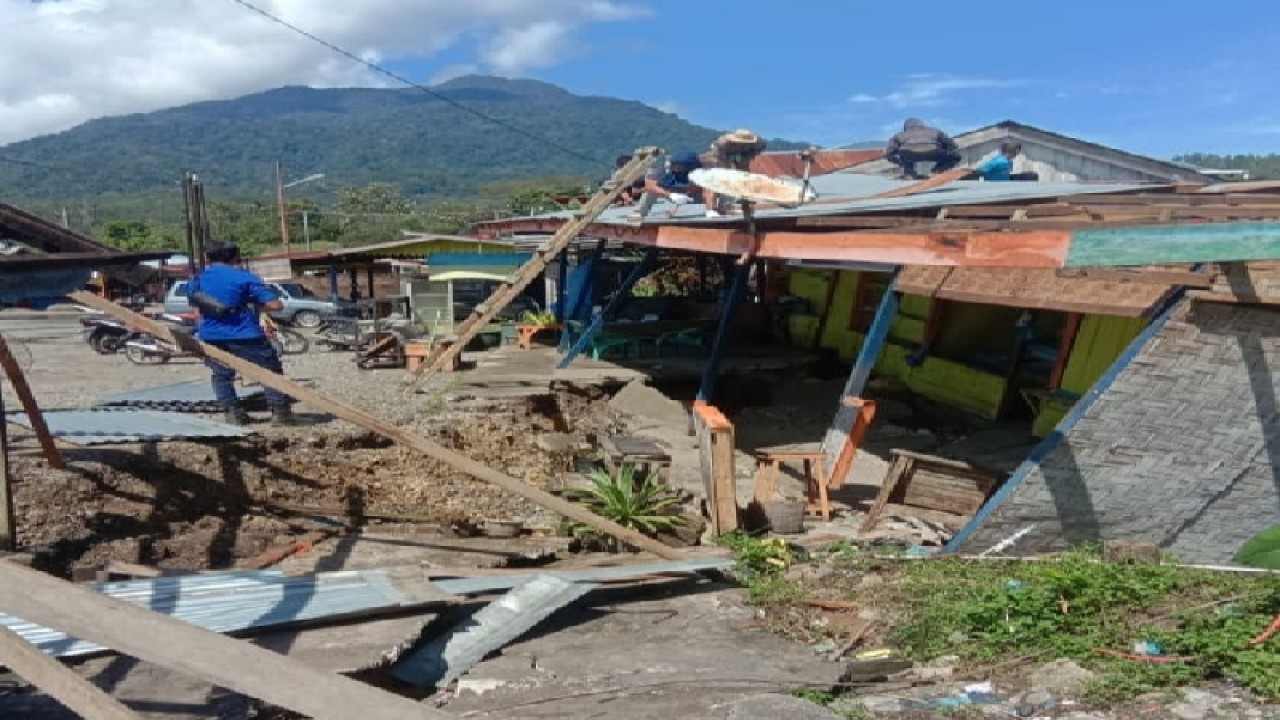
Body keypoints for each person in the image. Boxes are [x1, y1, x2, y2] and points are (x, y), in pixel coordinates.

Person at [188, 242, 296, 426]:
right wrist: (253, 301)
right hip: (245, 334)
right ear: (234, 257)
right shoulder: (245, 278)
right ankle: (280, 414)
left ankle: (233, 414)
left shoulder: (197, 280)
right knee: (269, 371)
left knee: (221, 375)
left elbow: (196, 307)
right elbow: (275, 305)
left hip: (211, 336)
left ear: (208, 258)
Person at [704, 129, 768, 217]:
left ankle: (735, 205)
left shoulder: (759, 144)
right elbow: (720, 163)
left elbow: (746, 161)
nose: (743, 144)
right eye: (741, 142)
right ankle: (710, 210)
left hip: (745, 153)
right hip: (722, 154)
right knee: (716, 179)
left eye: (746, 143)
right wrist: (728, 172)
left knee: (744, 175)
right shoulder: (722, 143)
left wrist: (742, 170)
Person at [627, 151, 703, 222]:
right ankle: (640, 212)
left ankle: (711, 211)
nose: (676, 169)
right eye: (674, 166)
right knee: (652, 191)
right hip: (678, 197)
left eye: (679, 166)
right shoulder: (671, 176)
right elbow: (648, 185)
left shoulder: (701, 175)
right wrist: (670, 195)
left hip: (699, 199)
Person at [884, 118, 961, 179]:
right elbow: (951, 145)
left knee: (904, 156)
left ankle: (909, 173)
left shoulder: (899, 135)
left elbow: (889, 152)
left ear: (906, 127)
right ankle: (937, 171)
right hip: (933, 152)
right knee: (956, 156)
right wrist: (946, 152)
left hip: (908, 154)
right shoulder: (935, 131)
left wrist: (899, 162)